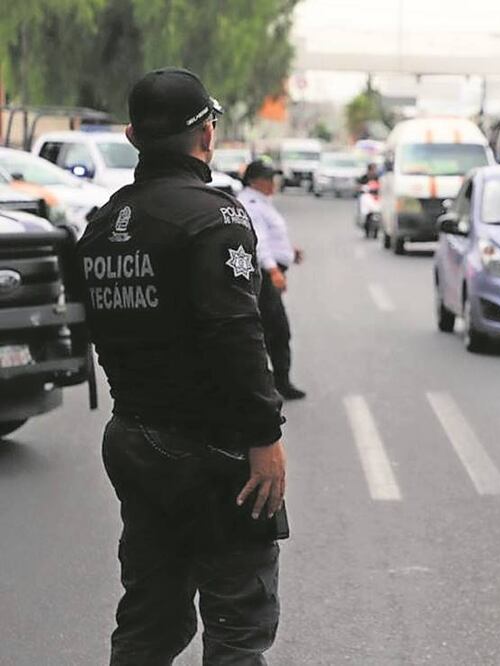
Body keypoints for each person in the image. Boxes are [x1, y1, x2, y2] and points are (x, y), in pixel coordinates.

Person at [76, 68, 287, 665]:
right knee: (238, 622)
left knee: (150, 619)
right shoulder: (216, 218)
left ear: (132, 136)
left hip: (133, 436)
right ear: (207, 134)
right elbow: (236, 333)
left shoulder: (101, 226)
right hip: (213, 448)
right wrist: (264, 436)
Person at [238, 160, 306, 400]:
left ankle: (274, 383)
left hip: (268, 273)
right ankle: (273, 385)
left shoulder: (261, 202)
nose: (272, 183)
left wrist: (288, 251)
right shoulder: (252, 204)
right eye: (268, 178)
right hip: (264, 276)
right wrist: (273, 270)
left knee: (272, 329)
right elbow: (259, 242)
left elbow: (272, 237)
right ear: (255, 181)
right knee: (276, 330)